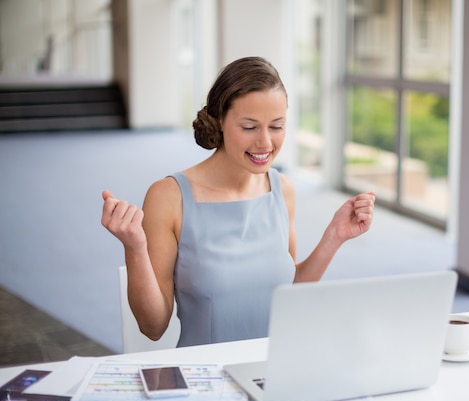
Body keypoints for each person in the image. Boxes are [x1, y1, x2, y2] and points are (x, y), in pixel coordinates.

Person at [101, 56, 375, 347]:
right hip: (205, 379)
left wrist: (334, 236)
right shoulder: (169, 197)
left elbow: (288, 295)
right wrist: (135, 248)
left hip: (273, 372)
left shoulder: (282, 189)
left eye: (277, 126)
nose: (266, 143)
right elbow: (152, 326)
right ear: (220, 120)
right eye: (249, 127)